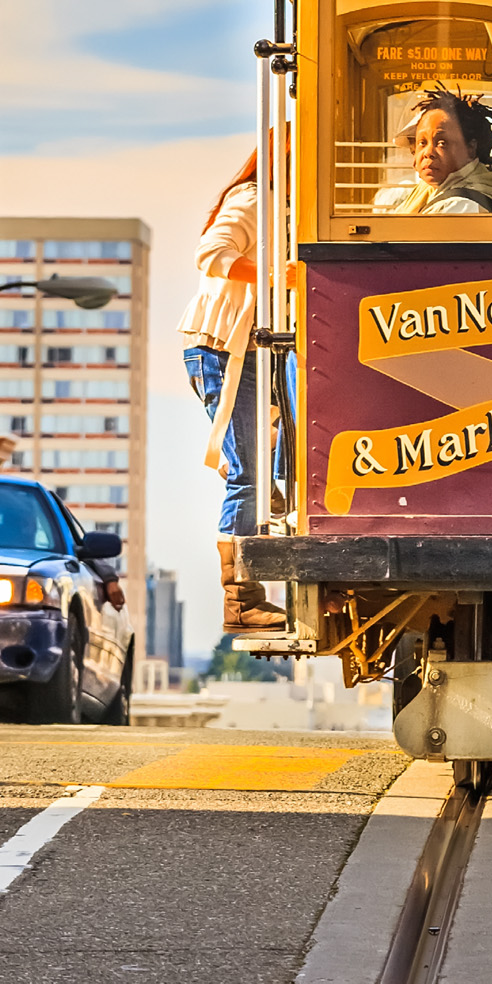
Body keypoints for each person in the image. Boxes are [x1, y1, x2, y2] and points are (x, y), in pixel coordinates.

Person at [177, 150, 286, 630]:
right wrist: (278, 276)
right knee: (249, 473)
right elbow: (211, 252)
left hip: (249, 350)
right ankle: (239, 601)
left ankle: (269, 509)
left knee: (265, 468)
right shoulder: (253, 196)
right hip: (224, 349)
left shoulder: (283, 206)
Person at [392, 89, 492, 216]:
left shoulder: (461, 205)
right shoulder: (430, 190)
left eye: (442, 143)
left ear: (470, 148)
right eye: (422, 143)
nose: (428, 152)